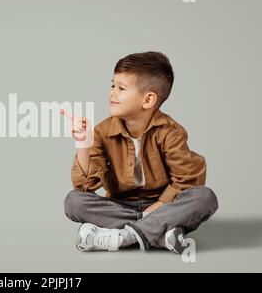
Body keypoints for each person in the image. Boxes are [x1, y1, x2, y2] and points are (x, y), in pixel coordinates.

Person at [63, 51, 218, 253]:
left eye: (121, 88)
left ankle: (124, 236)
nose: (112, 93)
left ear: (148, 100)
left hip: (163, 204)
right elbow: (85, 186)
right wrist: (83, 144)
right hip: (119, 205)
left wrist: (162, 203)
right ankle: (161, 234)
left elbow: (188, 177)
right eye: (112, 85)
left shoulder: (171, 132)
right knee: (73, 201)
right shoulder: (102, 131)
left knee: (205, 198)